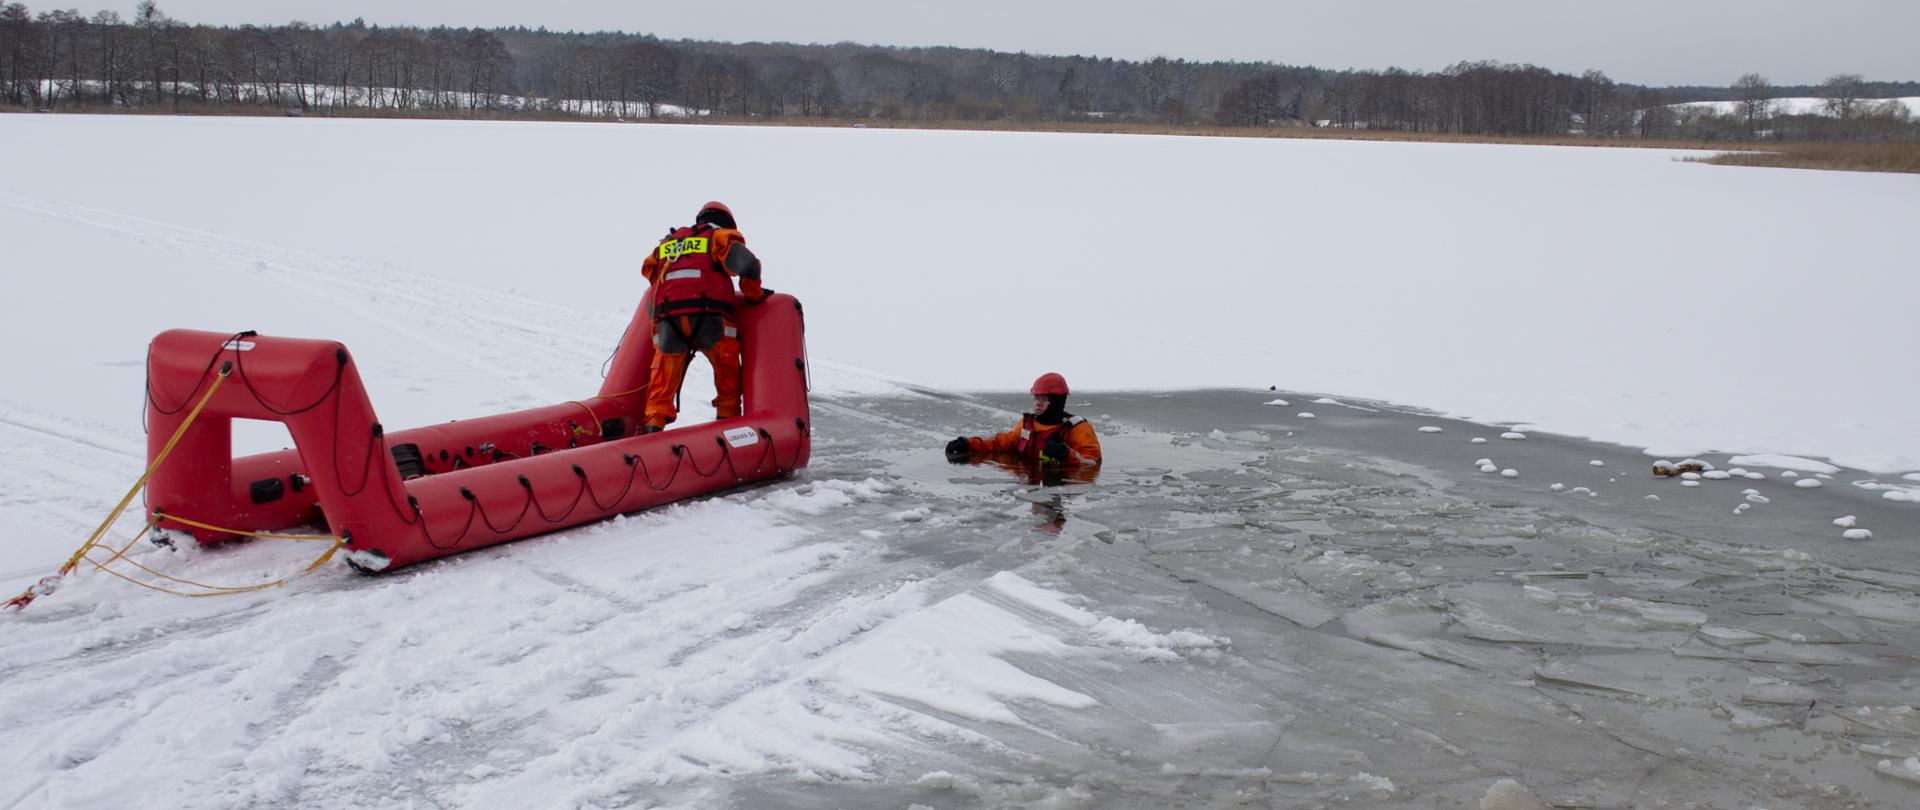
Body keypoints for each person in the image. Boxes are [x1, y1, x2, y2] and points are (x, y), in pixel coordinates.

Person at [639, 201, 766, 432]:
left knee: (661, 389)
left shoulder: (667, 244)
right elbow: (748, 265)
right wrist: (754, 296)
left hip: (669, 324)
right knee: (727, 381)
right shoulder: (718, 237)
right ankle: (729, 432)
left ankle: (651, 437)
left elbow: (649, 270)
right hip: (710, 321)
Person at [945, 372, 1103, 468]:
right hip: (1030, 482)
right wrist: (969, 443)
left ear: (1056, 401)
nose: (1037, 403)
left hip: (1059, 484)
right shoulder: (1028, 424)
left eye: (1044, 399)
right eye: (1036, 398)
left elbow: (1092, 463)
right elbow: (1003, 442)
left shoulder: (1078, 429)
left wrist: (1065, 454)